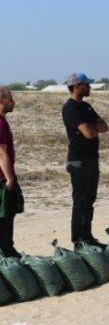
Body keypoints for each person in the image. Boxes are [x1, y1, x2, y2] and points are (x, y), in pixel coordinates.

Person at [62, 73, 109, 248]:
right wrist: (92, 127)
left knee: (89, 200)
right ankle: (78, 240)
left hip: (91, 158)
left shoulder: (86, 106)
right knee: (80, 200)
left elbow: (104, 127)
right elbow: (89, 133)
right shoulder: (70, 108)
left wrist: (92, 127)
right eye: (86, 85)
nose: (89, 87)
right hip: (78, 160)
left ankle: (87, 236)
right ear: (76, 86)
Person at [0, 88, 23, 258]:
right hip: (2, 178)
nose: (13, 102)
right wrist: (9, 179)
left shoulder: (3, 121)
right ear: (1, 101)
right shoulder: (0, 123)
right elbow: (1, 153)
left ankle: (7, 250)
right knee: (5, 216)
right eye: (10, 99)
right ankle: (7, 252)